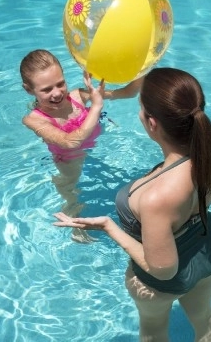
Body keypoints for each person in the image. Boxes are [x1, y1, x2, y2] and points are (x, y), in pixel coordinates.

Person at [53, 68, 211, 341]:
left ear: (152, 123)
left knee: (154, 330)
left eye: (140, 109)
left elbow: (163, 269)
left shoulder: (157, 197)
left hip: (162, 285)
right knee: (204, 319)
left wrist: (110, 227)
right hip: (207, 248)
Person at [20, 49, 142, 242]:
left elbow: (127, 92)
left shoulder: (78, 96)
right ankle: (76, 226)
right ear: (28, 89)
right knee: (71, 191)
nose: (57, 93)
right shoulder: (34, 120)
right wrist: (96, 106)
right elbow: (71, 142)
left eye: (61, 84)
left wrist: (144, 67)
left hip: (96, 143)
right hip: (69, 158)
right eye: (47, 89)